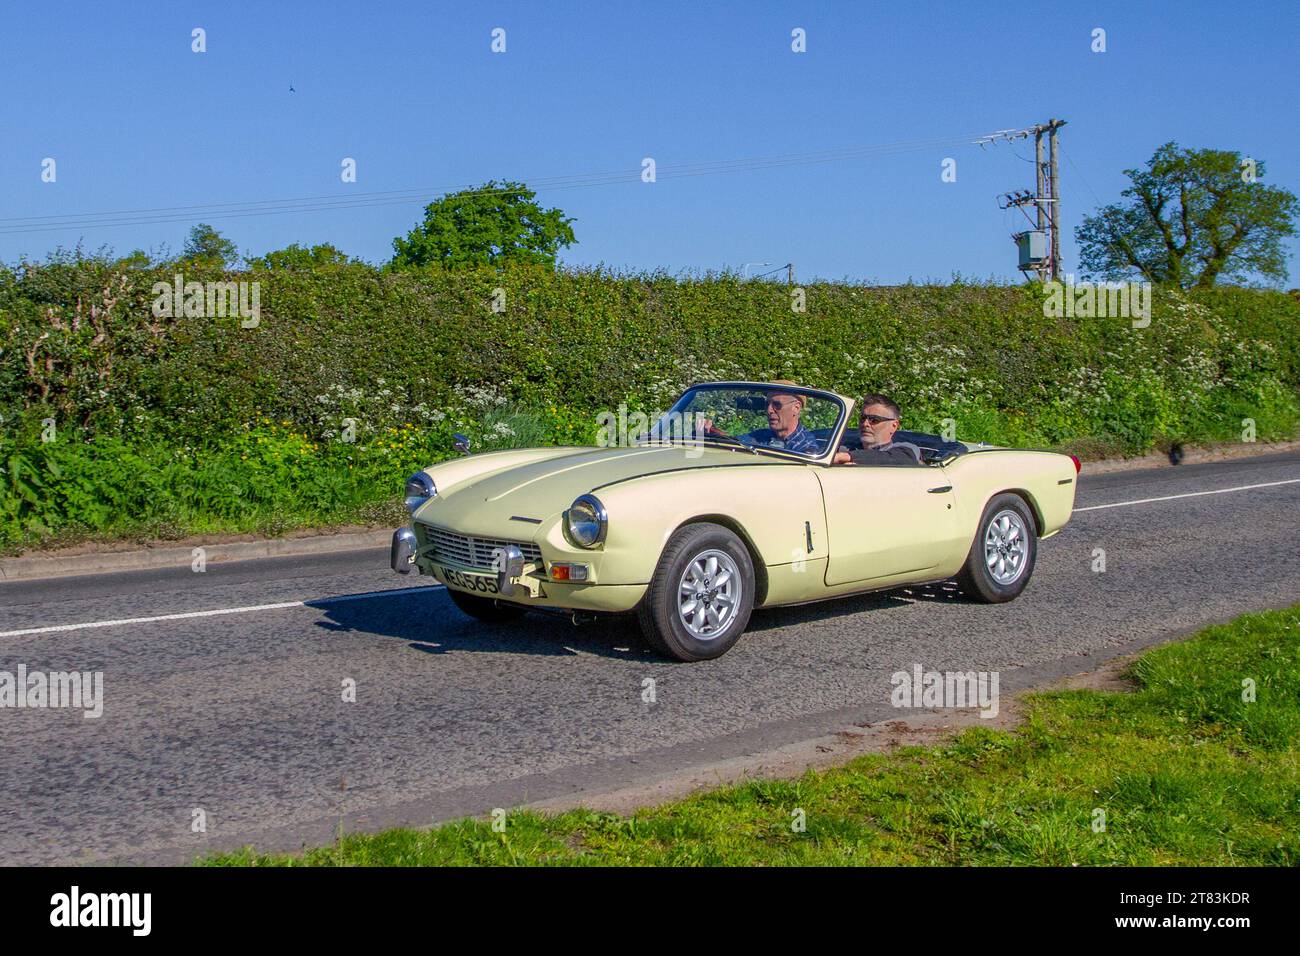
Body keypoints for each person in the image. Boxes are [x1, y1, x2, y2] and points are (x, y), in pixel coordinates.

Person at [699, 381, 821, 454]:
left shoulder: (805, 446)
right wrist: (712, 432)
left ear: (796, 408)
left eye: (777, 405)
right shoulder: (762, 435)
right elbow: (735, 442)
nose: (769, 410)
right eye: (767, 404)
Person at [833, 394, 923, 466]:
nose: (865, 424)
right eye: (863, 418)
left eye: (874, 420)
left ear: (894, 426)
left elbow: (901, 459)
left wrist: (847, 457)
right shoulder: (843, 447)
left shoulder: (906, 450)